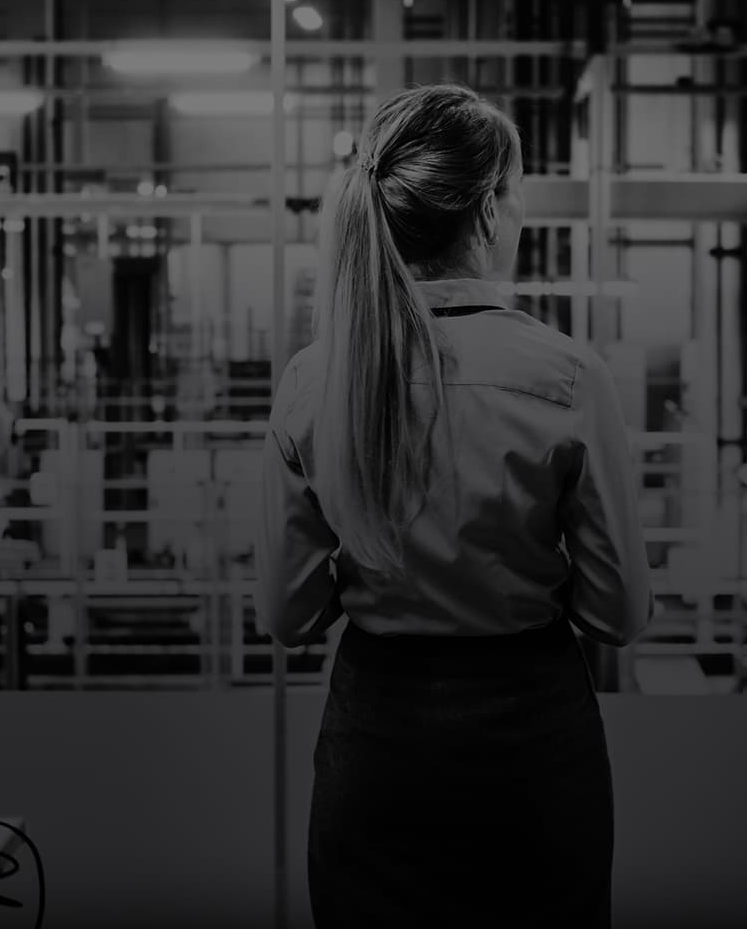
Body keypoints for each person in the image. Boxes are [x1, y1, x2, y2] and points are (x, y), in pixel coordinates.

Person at [256, 82, 653, 928]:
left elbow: (288, 616)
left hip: (378, 736)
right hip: (530, 737)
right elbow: (618, 613)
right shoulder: (568, 377)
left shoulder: (312, 381)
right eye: (515, 194)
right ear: (484, 213)